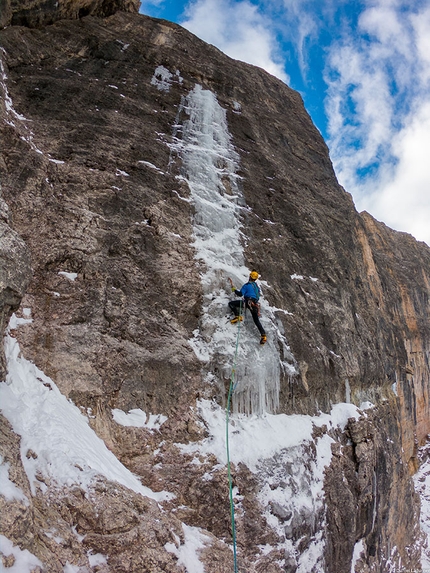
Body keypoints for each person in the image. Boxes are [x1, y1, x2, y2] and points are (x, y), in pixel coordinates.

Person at [228, 271, 267, 345]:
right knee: (256, 320)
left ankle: (237, 316)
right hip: (254, 304)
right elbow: (257, 295)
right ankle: (263, 336)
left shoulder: (247, 285)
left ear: (250, 277)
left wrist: (234, 289)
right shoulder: (256, 286)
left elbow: (240, 294)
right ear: (255, 279)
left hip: (247, 302)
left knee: (231, 304)